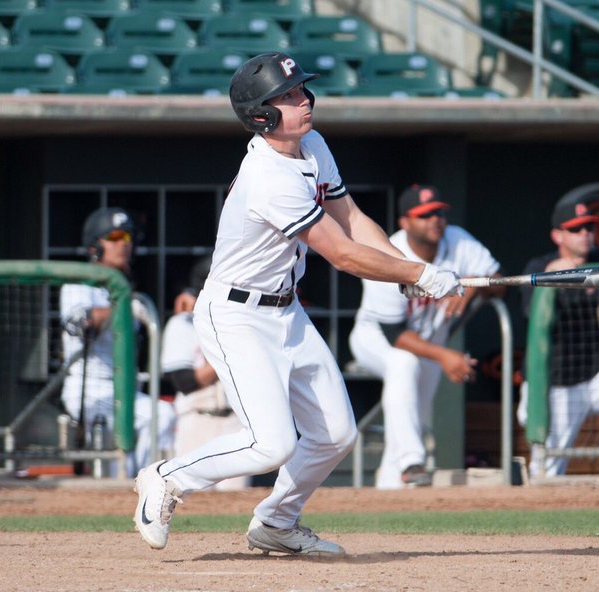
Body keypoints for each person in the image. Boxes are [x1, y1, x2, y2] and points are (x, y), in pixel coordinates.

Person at [133, 53, 462, 558]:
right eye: (287, 96)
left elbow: (351, 219)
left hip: (286, 311)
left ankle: (276, 521)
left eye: (301, 90)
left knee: (336, 434)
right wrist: (417, 274)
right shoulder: (268, 176)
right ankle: (167, 476)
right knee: (271, 443)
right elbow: (342, 254)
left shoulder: (313, 145)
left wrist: (405, 267)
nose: (303, 100)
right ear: (261, 114)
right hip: (236, 314)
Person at [349, 184, 503, 489]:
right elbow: (394, 334)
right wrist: (445, 356)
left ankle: (392, 487)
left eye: (439, 212)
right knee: (403, 363)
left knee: (413, 418)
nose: (435, 219)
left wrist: (474, 286)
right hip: (375, 338)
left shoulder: (458, 242)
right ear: (405, 222)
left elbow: (499, 283)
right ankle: (412, 462)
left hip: (429, 341)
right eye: (425, 215)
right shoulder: (389, 253)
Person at [59, 206, 175, 475]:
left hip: (124, 389)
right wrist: (120, 308)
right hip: (89, 389)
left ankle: (143, 481)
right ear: (94, 246)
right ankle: (131, 485)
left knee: (163, 416)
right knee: (120, 450)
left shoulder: (125, 288)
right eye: (114, 238)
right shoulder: (78, 284)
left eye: (127, 237)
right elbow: (79, 323)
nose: (124, 244)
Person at [518, 195, 599, 478]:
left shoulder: (597, 261)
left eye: (589, 227)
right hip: (554, 382)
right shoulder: (539, 265)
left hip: (593, 374)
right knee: (547, 469)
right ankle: (537, 499)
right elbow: (529, 312)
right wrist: (553, 278)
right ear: (558, 235)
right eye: (576, 229)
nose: (585, 234)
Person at [160, 255, 251, 490]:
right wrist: (227, 355)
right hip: (196, 422)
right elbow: (184, 381)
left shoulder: (243, 323)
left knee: (236, 501)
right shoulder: (183, 323)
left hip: (235, 424)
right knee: (190, 497)